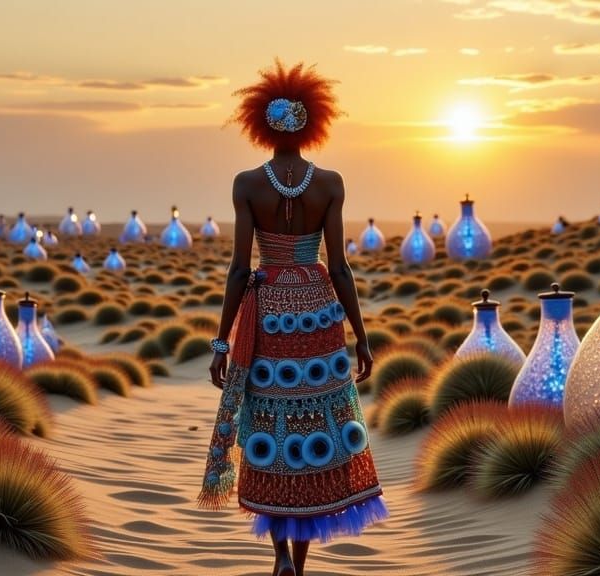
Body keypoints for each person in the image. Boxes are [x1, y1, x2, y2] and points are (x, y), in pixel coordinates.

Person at [200, 61, 387, 576]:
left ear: (261, 124)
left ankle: (280, 555)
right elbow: (340, 267)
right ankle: (297, 566)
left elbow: (240, 270)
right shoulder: (329, 183)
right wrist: (361, 337)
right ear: (312, 124)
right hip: (317, 312)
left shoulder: (246, 184)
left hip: (267, 318)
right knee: (314, 425)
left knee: (271, 425)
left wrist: (222, 343)